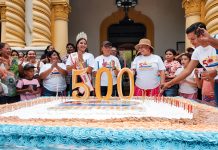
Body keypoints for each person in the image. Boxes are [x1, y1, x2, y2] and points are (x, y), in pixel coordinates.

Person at [161, 22, 218, 105]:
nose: (191, 42)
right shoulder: (197, 51)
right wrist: (169, 83)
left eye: (193, 39)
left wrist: (209, 39)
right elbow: (187, 71)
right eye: (189, 39)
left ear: (202, 34)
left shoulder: (215, 39)